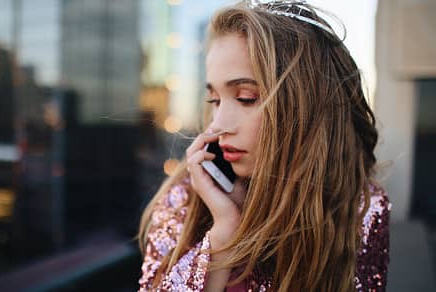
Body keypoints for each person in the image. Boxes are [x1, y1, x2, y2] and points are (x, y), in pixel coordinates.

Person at [138, 1, 390, 291]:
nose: (218, 124)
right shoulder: (186, 198)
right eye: (215, 100)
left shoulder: (360, 208)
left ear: (307, 107)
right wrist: (222, 237)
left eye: (246, 97)